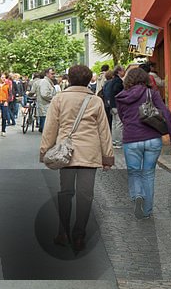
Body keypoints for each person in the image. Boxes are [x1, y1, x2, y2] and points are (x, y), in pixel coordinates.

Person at [39, 65, 114, 252]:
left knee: (65, 192)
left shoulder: (59, 99)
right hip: (89, 152)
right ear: (89, 80)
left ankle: (62, 233)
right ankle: (79, 235)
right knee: (85, 195)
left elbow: (50, 128)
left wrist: (45, 151)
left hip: (66, 152)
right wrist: (107, 157)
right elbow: (104, 131)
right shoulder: (95, 101)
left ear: (69, 79)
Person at [114, 66, 171, 219]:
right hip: (152, 139)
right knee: (148, 174)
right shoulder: (152, 93)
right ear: (145, 79)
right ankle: (148, 211)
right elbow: (166, 115)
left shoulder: (121, 97)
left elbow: (123, 118)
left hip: (131, 140)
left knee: (134, 172)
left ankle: (137, 195)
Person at [102, 65, 125, 148]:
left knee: (114, 123)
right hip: (117, 104)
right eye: (123, 70)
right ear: (119, 71)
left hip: (111, 104)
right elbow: (116, 90)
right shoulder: (118, 81)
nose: (124, 72)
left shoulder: (111, 81)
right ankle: (118, 142)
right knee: (119, 123)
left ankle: (114, 141)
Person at [35, 69, 56, 133]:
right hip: (45, 105)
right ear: (47, 74)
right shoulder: (45, 82)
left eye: (54, 73)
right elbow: (44, 94)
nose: (53, 75)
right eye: (52, 74)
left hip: (46, 106)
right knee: (45, 126)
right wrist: (53, 98)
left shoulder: (48, 82)